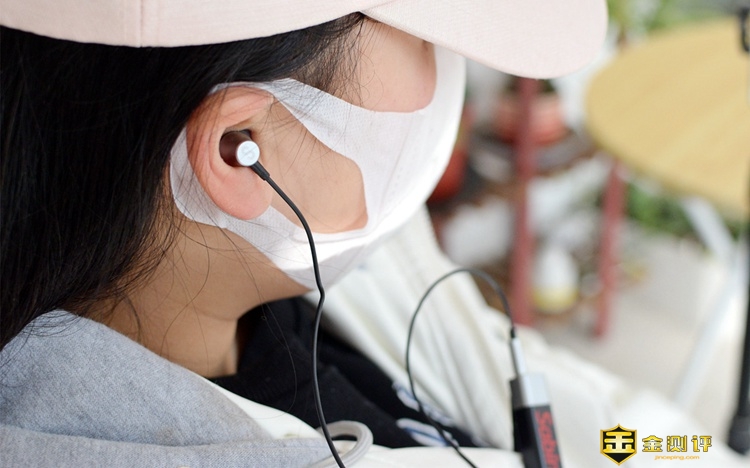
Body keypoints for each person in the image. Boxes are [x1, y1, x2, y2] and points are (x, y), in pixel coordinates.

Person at [1, 1, 747, 467]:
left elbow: (610, 429)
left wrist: (684, 450)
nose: (454, 65)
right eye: (419, 30)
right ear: (238, 149)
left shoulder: (332, 255)